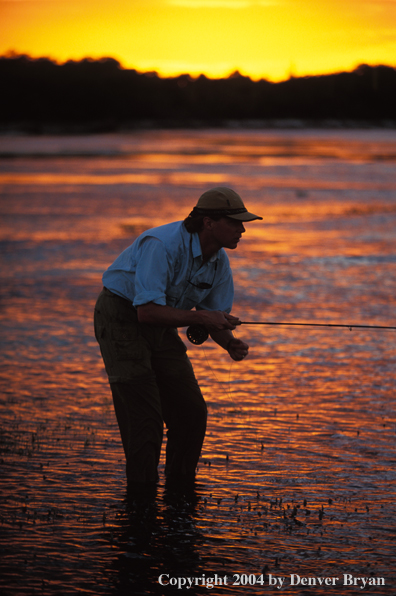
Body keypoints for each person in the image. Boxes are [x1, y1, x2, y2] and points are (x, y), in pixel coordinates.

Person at [94, 187, 262, 497]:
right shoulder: (162, 245)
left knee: (192, 412)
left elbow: (215, 316)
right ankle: (141, 496)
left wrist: (229, 342)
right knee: (145, 417)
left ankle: (181, 489)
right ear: (208, 222)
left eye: (243, 223)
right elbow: (146, 313)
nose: (243, 229)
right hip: (121, 316)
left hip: (162, 321)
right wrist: (202, 320)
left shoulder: (219, 262)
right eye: (235, 222)